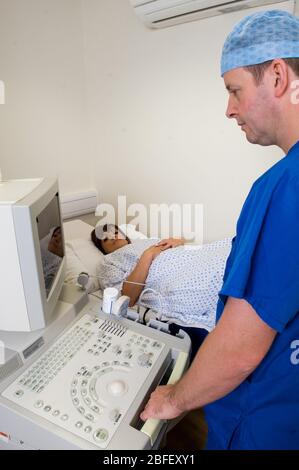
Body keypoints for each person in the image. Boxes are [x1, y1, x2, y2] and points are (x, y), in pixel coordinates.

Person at [140, 10, 299, 450]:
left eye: (235, 90)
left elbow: (241, 349)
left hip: (270, 422)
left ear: (278, 76)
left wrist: (174, 397)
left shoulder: (284, 186)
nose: (229, 109)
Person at [91, 223, 232, 360]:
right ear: (101, 247)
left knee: (231, 249)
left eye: (115, 231)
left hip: (192, 258)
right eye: (105, 237)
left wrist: (178, 241)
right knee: (223, 270)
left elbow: (179, 247)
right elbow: (127, 298)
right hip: (173, 274)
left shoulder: (148, 241)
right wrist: (147, 255)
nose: (113, 236)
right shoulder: (108, 262)